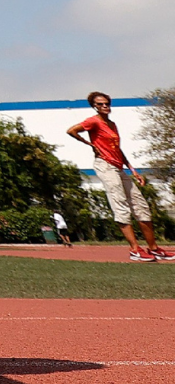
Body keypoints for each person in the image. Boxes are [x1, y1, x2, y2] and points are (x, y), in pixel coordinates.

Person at [68, 91, 169, 262]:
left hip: (118, 166)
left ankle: (153, 248)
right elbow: (71, 131)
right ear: (94, 106)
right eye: (100, 104)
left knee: (141, 205)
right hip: (105, 166)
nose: (105, 106)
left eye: (107, 103)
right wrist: (90, 144)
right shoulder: (93, 121)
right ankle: (135, 250)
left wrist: (131, 168)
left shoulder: (112, 124)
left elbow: (117, 149)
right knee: (120, 205)